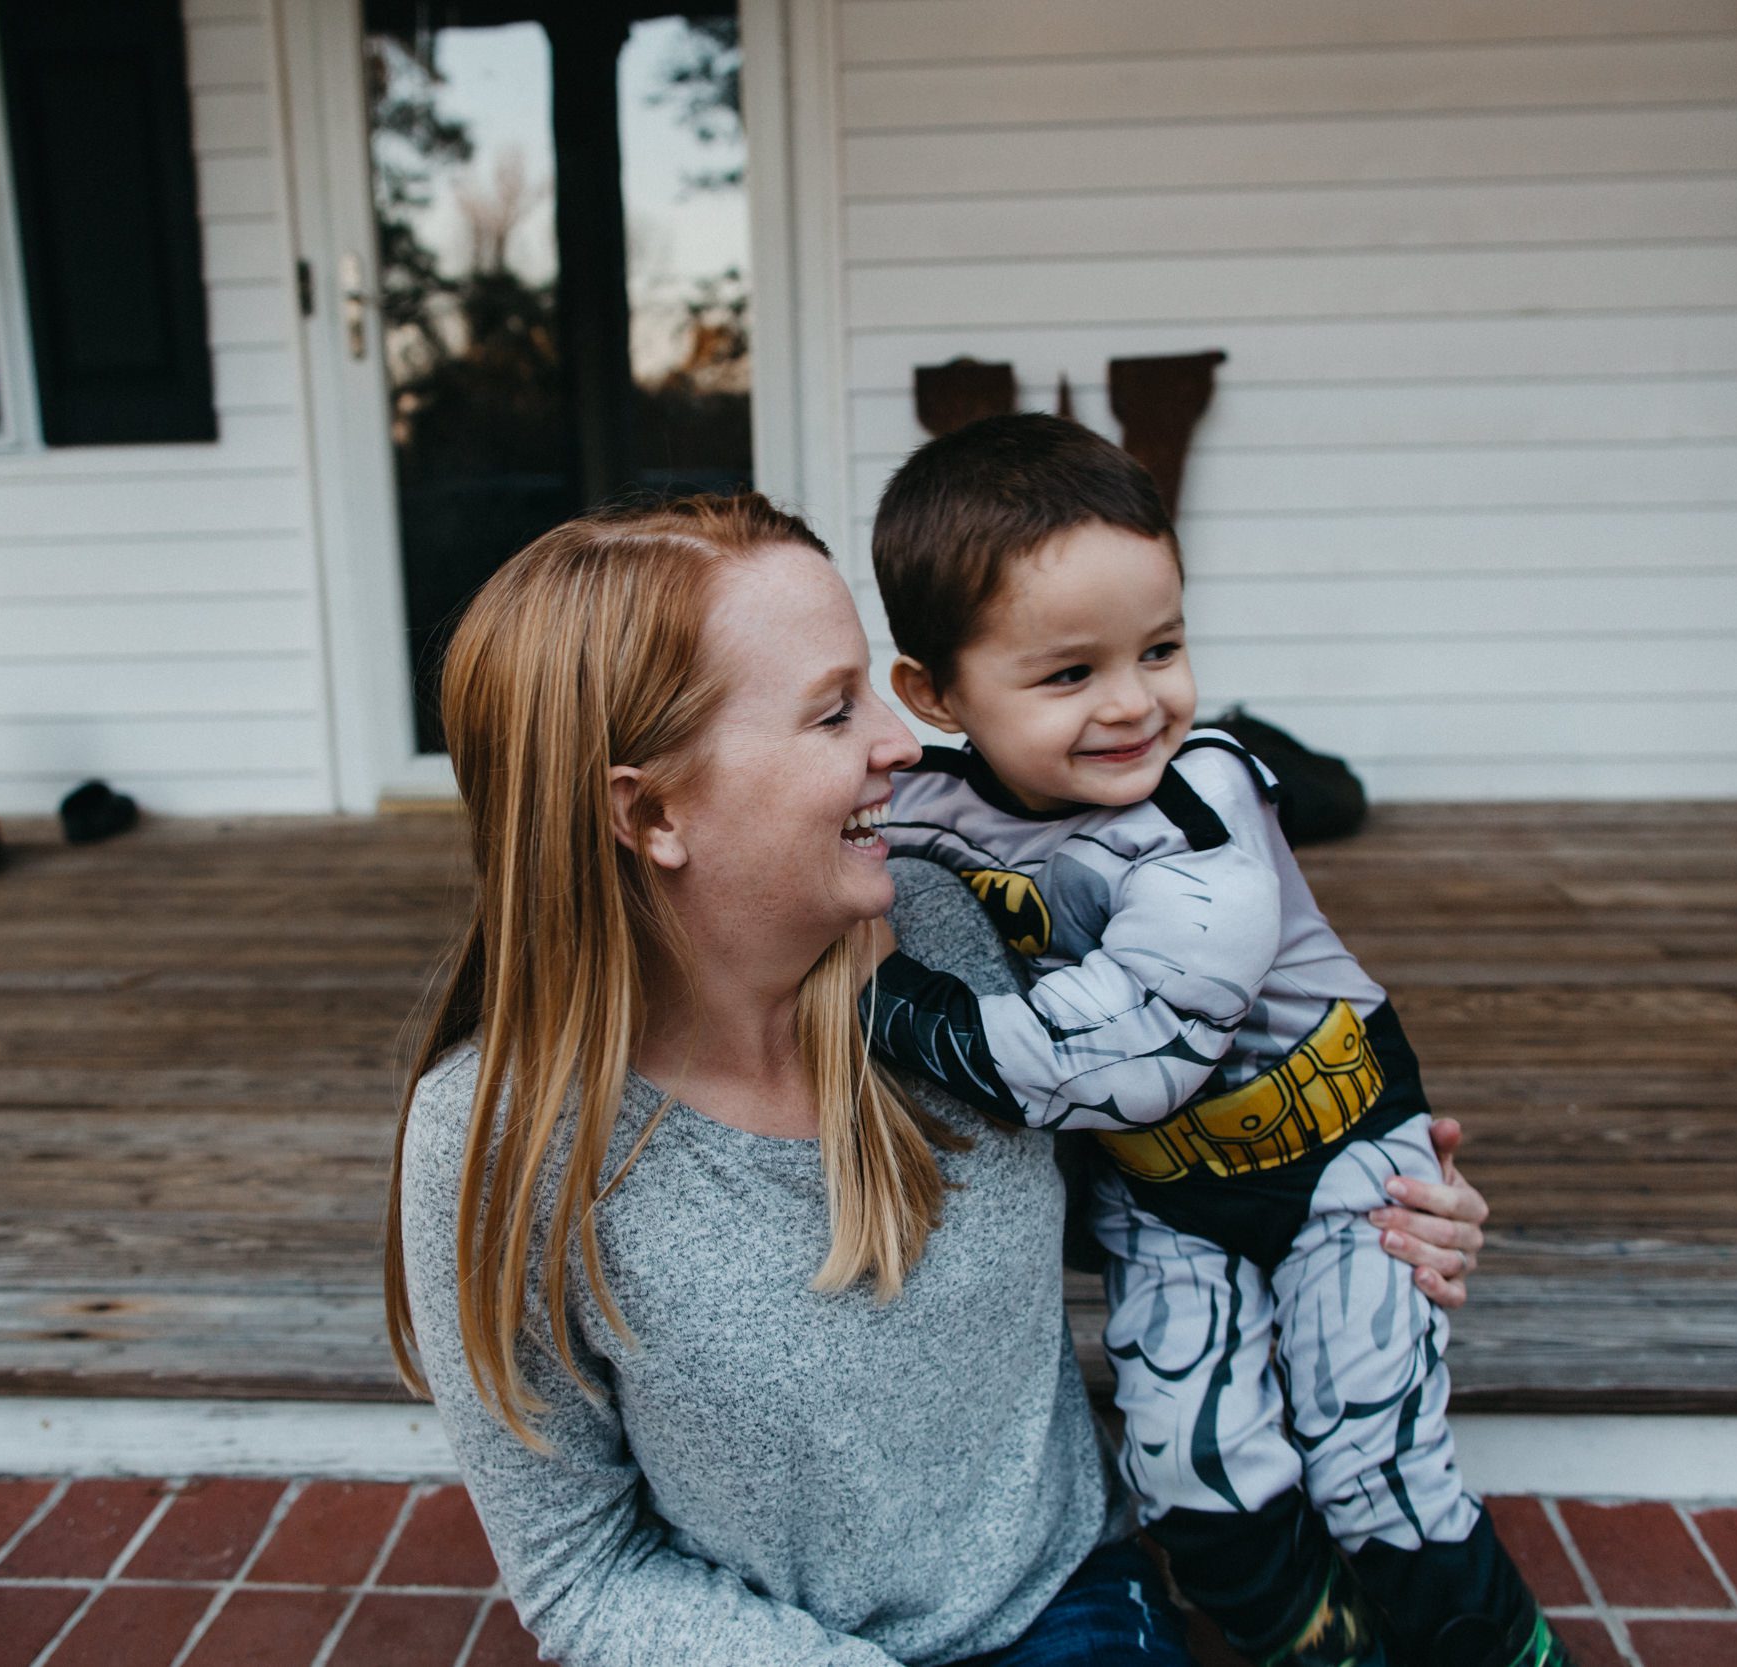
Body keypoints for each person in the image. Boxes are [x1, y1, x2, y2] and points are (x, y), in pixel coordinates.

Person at [385, 495, 1493, 1666]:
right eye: (832, 711)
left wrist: (1362, 1201)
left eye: (872, 686)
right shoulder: (498, 1138)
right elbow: (581, 1573)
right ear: (652, 810)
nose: (903, 741)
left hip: (1057, 1603)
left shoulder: (964, 938)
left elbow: (1149, 1186)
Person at [861, 416, 1561, 1667]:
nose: (1136, 701)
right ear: (933, 692)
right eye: (1068, 674)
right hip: (1169, 1200)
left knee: (1374, 1460)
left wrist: (890, 1005)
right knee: (1196, 1482)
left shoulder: (1205, 806)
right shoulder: (929, 798)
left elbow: (1128, 1055)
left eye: (1163, 647)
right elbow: (825, 827)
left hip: (1345, 1160)